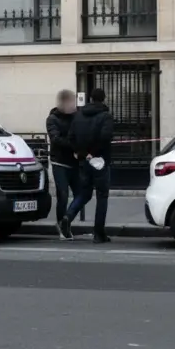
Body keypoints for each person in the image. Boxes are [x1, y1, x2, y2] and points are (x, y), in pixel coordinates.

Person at [60, 88, 114, 244]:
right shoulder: (106, 116)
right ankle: (99, 233)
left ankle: (67, 217)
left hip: (83, 160)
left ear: (90, 98)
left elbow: (71, 137)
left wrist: (81, 153)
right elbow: (105, 137)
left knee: (84, 193)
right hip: (100, 161)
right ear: (104, 98)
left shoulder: (79, 116)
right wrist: (93, 152)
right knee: (102, 196)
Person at [46, 89, 79, 240]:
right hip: (59, 162)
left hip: (75, 162)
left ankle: (67, 220)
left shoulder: (77, 117)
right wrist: (74, 146)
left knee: (81, 194)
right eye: (71, 102)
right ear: (63, 103)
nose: (73, 105)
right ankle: (61, 224)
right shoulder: (52, 119)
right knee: (63, 195)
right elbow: (56, 139)